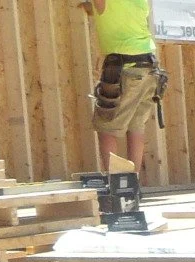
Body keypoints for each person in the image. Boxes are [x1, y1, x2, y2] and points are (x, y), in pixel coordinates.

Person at [79, 0, 162, 173]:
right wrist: (89, 7)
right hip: (149, 68)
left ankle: (116, 182)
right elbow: (115, 11)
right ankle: (132, 182)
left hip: (125, 69)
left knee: (106, 125)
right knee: (136, 126)